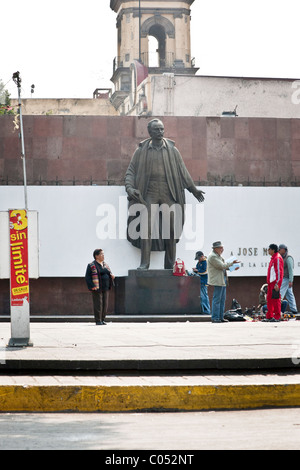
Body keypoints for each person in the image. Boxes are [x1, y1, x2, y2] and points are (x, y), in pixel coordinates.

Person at [125, 118, 205, 270]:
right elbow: (130, 172)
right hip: (149, 192)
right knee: (145, 228)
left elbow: (183, 172)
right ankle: (144, 263)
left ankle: (169, 265)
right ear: (150, 132)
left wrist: (193, 189)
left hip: (169, 192)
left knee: (171, 230)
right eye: (157, 129)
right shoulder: (141, 151)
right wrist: (129, 188)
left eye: (162, 129)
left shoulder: (173, 151)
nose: (160, 132)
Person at [207, 241, 239, 323]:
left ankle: (220, 317)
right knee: (217, 299)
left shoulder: (217, 256)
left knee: (222, 299)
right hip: (218, 280)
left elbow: (223, 266)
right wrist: (232, 263)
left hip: (222, 279)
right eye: (220, 248)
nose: (222, 249)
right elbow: (221, 266)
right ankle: (215, 318)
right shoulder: (213, 256)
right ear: (215, 249)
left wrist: (232, 267)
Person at [85, 249, 115, 325]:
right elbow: (87, 277)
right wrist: (92, 286)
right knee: (98, 304)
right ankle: (98, 320)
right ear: (96, 256)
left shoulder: (105, 264)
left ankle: (102, 319)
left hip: (106, 287)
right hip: (97, 287)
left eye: (103, 254)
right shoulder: (91, 265)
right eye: (101, 254)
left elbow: (109, 272)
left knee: (105, 304)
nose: (103, 255)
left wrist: (112, 275)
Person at [265, 244, 284, 322]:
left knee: (276, 300)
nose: (268, 251)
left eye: (269, 249)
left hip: (274, 283)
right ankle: (270, 316)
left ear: (273, 250)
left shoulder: (277, 258)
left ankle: (277, 316)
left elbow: (279, 272)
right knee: (269, 299)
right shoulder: (273, 258)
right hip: (270, 283)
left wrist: (278, 284)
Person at [278, 244, 298, 314]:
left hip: (286, 278)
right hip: (283, 278)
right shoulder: (282, 257)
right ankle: (294, 309)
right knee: (289, 294)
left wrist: (290, 280)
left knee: (280, 293)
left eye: (280, 249)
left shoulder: (288, 258)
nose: (279, 250)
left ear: (284, 250)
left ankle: (277, 308)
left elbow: (290, 270)